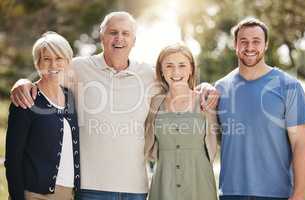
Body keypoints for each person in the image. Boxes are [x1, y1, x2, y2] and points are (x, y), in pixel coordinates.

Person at [9, 12, 219, 200]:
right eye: (113, 32)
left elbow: (179, 85)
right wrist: (22, 83)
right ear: (102, 37)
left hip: (136, 188)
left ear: (134, 40)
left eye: (125, 33)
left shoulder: (149, 74)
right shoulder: (78, 68)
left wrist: (206, 87)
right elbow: (49, 72)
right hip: (91, 187)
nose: (119, 38)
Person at [215, 18, 305, 200]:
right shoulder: (220, 89)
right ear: (235, 45)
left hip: (277, 194)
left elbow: (302, 145)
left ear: (266, 45)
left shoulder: (289, 86)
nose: (249, 47)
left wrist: (299, 195)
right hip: (231, 193)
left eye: (256, 41)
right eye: (243, 41)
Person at [5, 32, 80, 200]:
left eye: (59, 58)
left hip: (68, 195)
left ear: (68, 62)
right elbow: (13, 160)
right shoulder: (26, 100)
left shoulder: (70, 98)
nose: (53, 64)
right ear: (37, 63)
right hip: (34, 195)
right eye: (46, 59)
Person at [144, 44, 218, 200]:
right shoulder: (155, 102)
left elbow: (211, 148)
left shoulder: (204, 101)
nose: (176, 72)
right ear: (161, 71)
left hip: (199, 183)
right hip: (164, 183)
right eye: (169, 66)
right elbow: (148, 147)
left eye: (182, 65)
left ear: (191, 69)